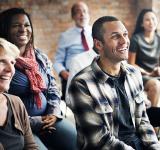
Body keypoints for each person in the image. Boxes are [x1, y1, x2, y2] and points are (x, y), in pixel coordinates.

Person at [69, 15, 160, 150]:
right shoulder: (82, 84)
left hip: (141, 144)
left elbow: (143, 121)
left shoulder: (133, 74)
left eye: (125, 34)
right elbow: (98, 140)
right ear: (98, 44)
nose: (124, 41)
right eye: (115, 36)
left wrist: (156, 147)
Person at [0, 8, 77, 150]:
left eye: (27, 25)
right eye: (16, 25)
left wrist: (53, 114)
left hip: (49, 119)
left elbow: (53, 88)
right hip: (21, 125)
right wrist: (38, 121)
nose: (23, 29)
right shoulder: (4, 64)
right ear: (4, 29)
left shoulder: (39, 56)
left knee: (79, 142)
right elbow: (5, 109)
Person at [0, 38, 38, 149]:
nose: (10, 69)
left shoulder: (16, 102)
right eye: (2, 61)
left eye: (12, 63)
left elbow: (30, 146)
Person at [54, 1, 93, 100]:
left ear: (88, 14)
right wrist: (63, 72)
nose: (82, 14)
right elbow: (58, 61)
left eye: (84, 11)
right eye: (78, 12)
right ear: (73, 16)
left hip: (93, 73)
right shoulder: (65, 36)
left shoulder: (96, 32)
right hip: (73, 75)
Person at [128, 9, 160, 107]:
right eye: (147, 20)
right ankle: (151, 117)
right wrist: (148, 73)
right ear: (142, 23)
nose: (151, 22)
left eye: (153, 19)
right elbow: (131, 63)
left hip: (156, 73)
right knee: (156, 84)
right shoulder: (135, 39)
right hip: (141, 75)